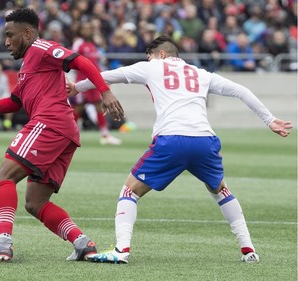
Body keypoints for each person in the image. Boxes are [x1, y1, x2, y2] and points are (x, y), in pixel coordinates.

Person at [66, 35, 292, 264]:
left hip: (172, 140)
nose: (149, 59)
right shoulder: (201, 74)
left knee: (129, 191)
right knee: (220, 190)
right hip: (205, 141)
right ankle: (249, 250)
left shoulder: (151, 67)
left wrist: (77, 87)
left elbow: (106, 76)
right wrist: (269, 119)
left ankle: (121, 250)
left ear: (161, 54)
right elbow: (241, 90)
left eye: (150, 56)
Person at [0, 8, 124, 262]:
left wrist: (105, 92)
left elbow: (81, 61)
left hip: (50, 123)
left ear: (27, 32)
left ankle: (3, 241)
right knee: (35, 202)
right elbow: (13, 103)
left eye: (10, 35)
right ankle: (82, 243)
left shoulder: (40, 48)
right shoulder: (28, 66)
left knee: (3, 175)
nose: (5, 42)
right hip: (65, 131)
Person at [71, 21, 122, 145]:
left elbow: (97, 63)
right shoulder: (78, 44)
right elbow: (72, 61)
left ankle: (105, 135)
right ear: (80, 30)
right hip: (82, 81)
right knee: (77, 108)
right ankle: (69, 133)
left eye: (89, 28)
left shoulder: (93, 44)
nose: (87, 31)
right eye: (85, 28)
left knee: (99, 106)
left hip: (94, 81)